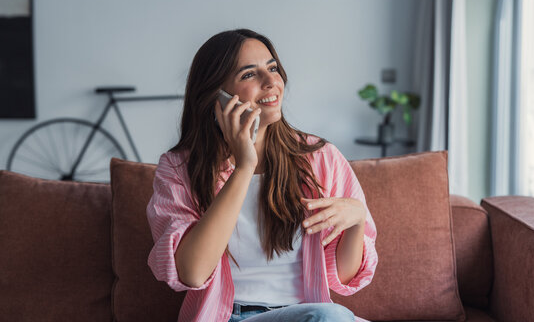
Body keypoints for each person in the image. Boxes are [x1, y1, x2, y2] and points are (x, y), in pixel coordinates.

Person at [146, 29, 378, 322]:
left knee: (329, 317)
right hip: (232, 317)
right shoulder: (178, 169)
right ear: (216, 95)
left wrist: (357, 220)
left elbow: (342, 278)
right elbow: (192, 273)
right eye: (249, 75)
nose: (271, 82)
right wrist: (243, 166)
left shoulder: (320, 157)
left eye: (272, 68)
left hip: (310, 315)